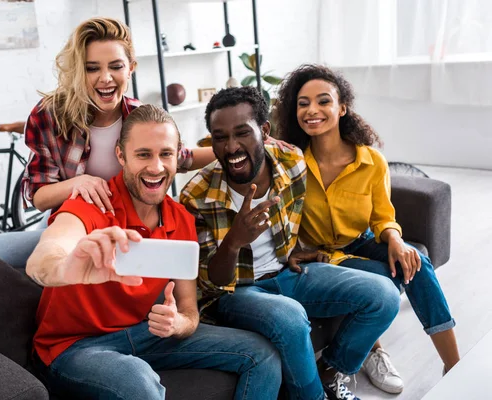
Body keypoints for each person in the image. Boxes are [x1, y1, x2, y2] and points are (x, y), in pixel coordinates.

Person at [26, 104, 283, 399]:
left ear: (177, 157)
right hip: (74, 346)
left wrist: (178, 323)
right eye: (143, 154)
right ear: (121, 156)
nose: (156, 167)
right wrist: (63, 268)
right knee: (138, 381)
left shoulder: (181, 220)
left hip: (145, 334)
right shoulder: (92, 204)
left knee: (262, 354)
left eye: (165, 154)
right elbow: (44, 255)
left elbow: (189, 312)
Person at [0, 17, 287, 267]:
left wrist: (239, 146)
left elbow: (180, 158)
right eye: (92, 68)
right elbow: (38, 196)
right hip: (76, 222)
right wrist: (80, 183)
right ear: (79, 70)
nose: (105, 78)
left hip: (127, 225)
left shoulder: (139, 115)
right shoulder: (50, 115)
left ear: (130, 67)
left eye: (115, 66)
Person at [180, 86, 400, 400]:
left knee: (384, 295)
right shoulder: (196, 196)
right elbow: (212, 284)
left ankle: (329, 373)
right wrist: (233, 242)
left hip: (287, 274)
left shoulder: (292, 162)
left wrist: (295, 248)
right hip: (236, 293)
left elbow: (295, 214)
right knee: (290, 318)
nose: (231, 147)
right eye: (219, 136)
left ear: (264, 131)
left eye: (242, 133)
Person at [275, 64, 459, 394]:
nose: (312, 110)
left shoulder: (371, 160)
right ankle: (353, 357)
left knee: (415, 262)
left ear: (342, 107)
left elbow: (382, 217)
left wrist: (396, 240)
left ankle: (454, 366)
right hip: (322, 257)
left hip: (361, 242)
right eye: (303, 103)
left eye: (323, 101)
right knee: (385, 280)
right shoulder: (290, 161)